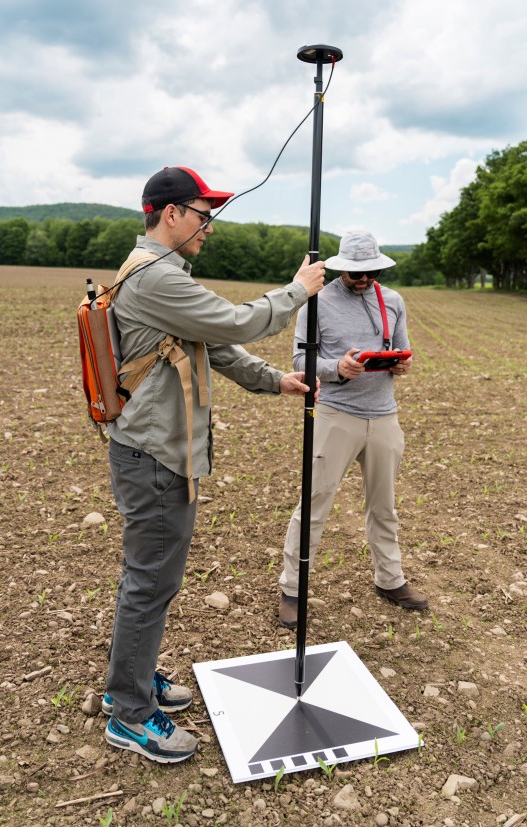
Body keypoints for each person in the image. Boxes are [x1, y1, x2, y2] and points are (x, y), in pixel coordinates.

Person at [102, 166, 326, 764]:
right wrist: (298, 290)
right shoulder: (154, 277)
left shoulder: (162, 276)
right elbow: (235, 321)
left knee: (154, 579)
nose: (209, 227)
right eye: (204, 215)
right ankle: (128, 714)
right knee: (150, 581)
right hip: (153, 455)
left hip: (159, 452)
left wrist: (274, 380)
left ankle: (133, 680)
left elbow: (215, 347)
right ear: (169, 213)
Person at [276, 229, 425, 629]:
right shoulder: (316, 302)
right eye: (357, 274)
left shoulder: (392, 301)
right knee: (314, 501)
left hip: (384, 416)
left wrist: (401, 364)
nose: (364, 280)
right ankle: (292, 589)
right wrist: (337, 369)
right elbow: (299, 359)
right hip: (336, 414)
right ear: (342, 269)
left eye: (371, 272)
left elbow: (404, 350)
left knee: (384, 506)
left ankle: (390, 580)